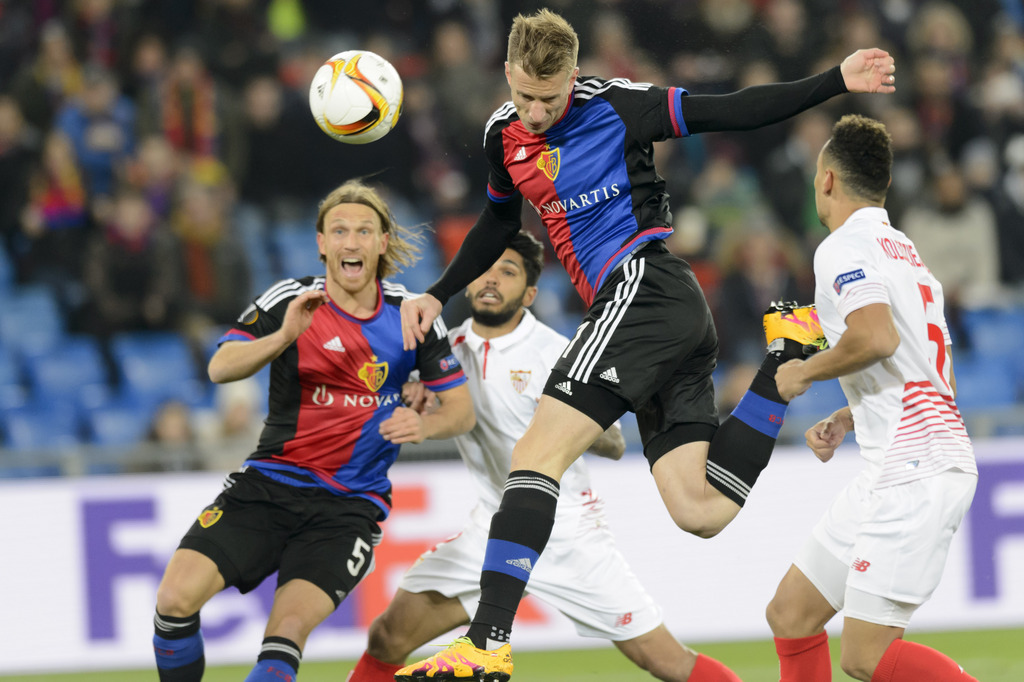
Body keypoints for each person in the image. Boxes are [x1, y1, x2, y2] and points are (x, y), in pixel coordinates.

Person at [397, 9, 897, 680]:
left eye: (551, 97)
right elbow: (496, 220)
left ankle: (486, 642)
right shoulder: (501, 136)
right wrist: (439, 292)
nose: (538, 111)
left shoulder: (619, 106)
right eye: (526, 96)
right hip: (665, 316)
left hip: (644, 284)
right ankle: (783, 361)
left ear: (573, 76)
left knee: (534, 453)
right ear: (508, 75)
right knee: (701, 509)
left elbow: (735, 111)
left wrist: (835, 78)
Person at [350, 233, 741, 681]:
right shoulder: (447, 351)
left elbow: (613, 444)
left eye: (509, 272)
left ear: (530, 293)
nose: (491, 279)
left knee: (667, 662)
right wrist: (419, 394)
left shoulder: (557, 352)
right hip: (491, 529)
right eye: (485, 269)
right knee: (387, 637)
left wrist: (559, 416)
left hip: (568, 532)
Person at [151, 179, 475, 682]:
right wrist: (283, 337)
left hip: (347, 508)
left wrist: (425, 423)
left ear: (382, 242)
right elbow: (220, 367)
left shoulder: (411, 314)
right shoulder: (290, 301)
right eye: (339, 230)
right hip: (266, 486)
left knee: (286, 632)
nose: (351, 242)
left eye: (364, 231)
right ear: (321, 242)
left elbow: (461, 411)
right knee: (173, 600)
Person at [766, 115, 979, 682]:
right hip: (902, 461)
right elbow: (933, 378)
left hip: (914, 472)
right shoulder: (907, 253)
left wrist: (803, 374)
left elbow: (876, 338)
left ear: (828, 179)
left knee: (865, 658)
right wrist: (850, 413)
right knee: (791, 614)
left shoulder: (842, 247)